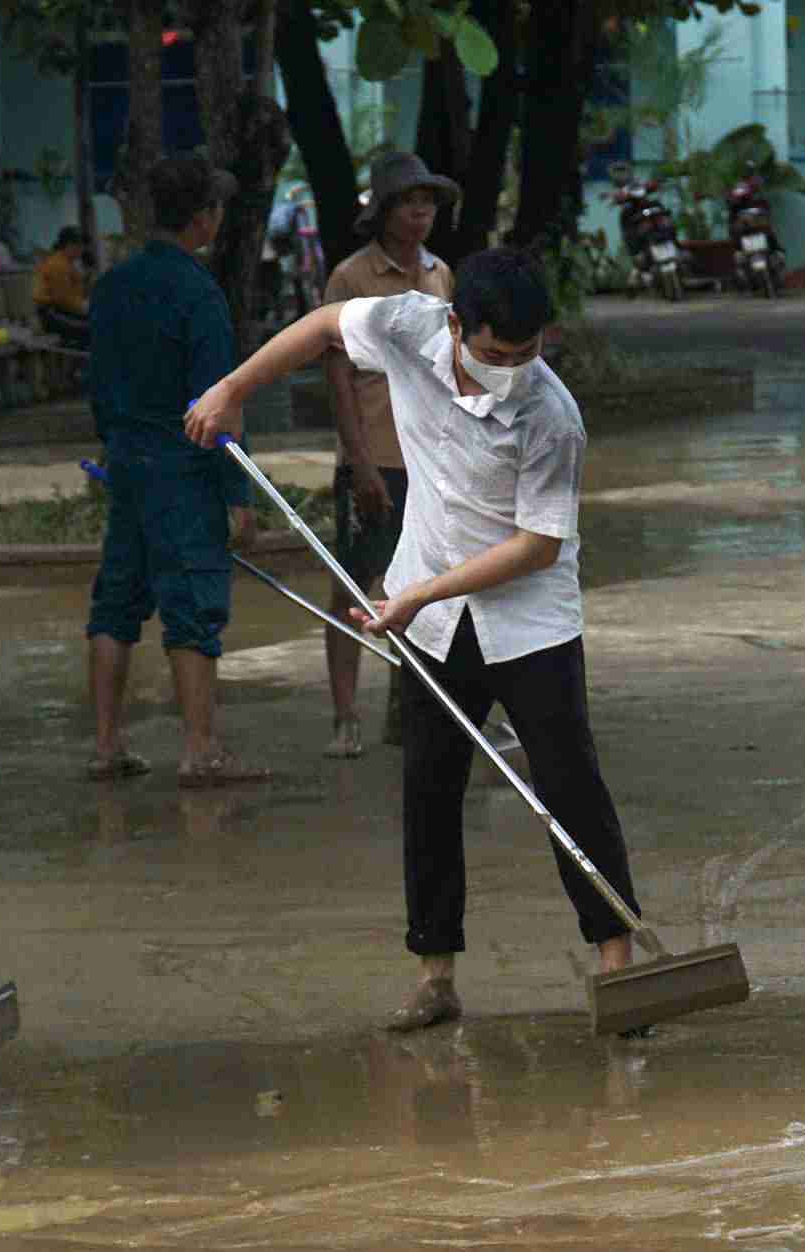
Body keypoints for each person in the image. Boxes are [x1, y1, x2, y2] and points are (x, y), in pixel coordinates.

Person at [183, 248, 645, 1033]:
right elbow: (326, 326)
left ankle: (619, 968)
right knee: (429, 789)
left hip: (528, 618)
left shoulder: (551, 415)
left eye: (529, 353)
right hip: (431, 614)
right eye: (498, 354)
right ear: (459, 327)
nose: (514, 368)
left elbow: (537, 544)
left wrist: (416, 592)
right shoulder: (409, 326)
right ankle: (436, 975)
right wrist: (232, 390)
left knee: (569, 786)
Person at [84, 155, 270, 788]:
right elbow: (218, 402)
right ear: (203, 218)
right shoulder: (198, 292)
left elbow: (96, 385)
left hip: (126, 464)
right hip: (183, 469)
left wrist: (113, 449)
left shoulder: (111, 285)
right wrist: (237, 493)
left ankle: (107, 745)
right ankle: (201, 749)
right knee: (192, 603)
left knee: (116, 602)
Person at [318, 152, 459, 758]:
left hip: (430, 455)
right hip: (374, 452)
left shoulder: (440, 274)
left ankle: (411, 708)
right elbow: (339, 378)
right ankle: (344, 714)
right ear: (383, 211)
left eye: (428, 199)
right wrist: (360, 463)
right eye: (408, 200)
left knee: (422, 587)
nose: (421, 210)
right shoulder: (351, 278)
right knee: (353, 583)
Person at [34, 225, 92, 349]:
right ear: (69, 245)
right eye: (80, 245)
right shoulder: (58, 265)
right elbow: (62, 300)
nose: (82, 249)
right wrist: (85, 308)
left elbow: (75, 296)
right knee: (92, 329)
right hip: (51, 315)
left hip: (64, 311)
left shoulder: (68, 263)